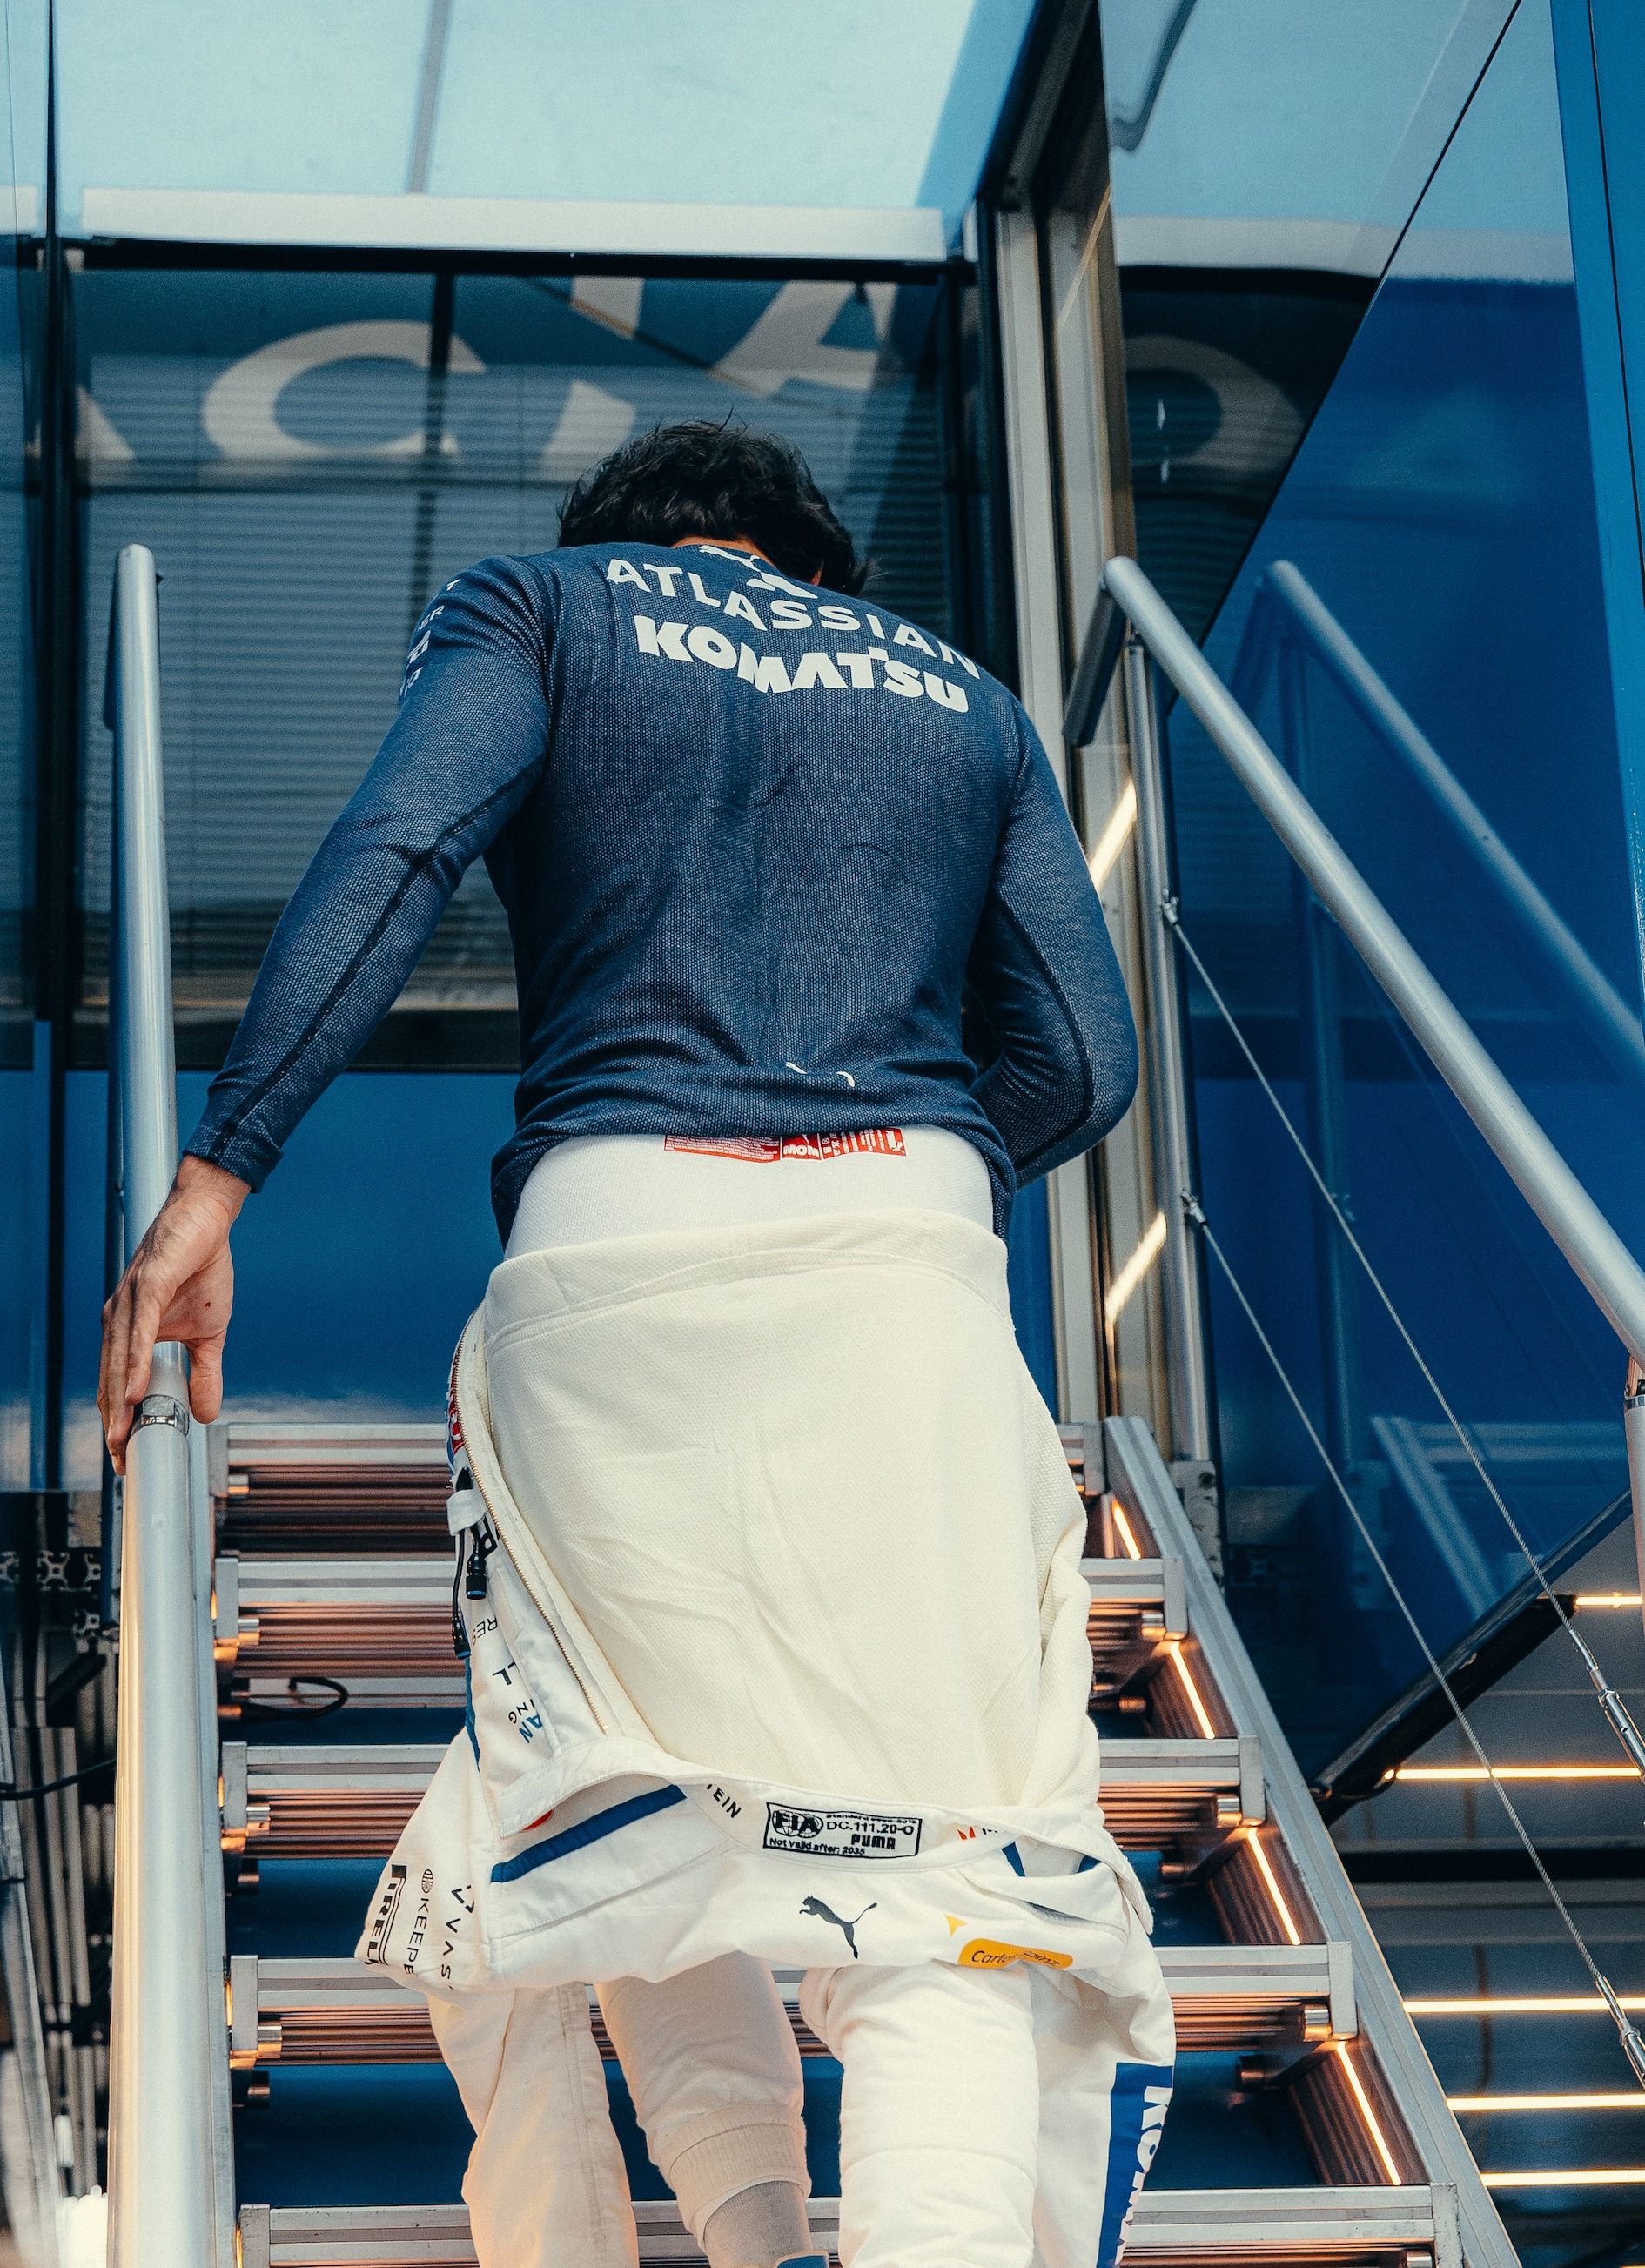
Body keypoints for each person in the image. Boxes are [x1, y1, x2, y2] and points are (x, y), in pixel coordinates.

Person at [100, 419, 1173, 2268]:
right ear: (810, 564)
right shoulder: (962, 697)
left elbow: (402, 845)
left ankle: (758, 2242)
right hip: (904, 1272)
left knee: (616, 1786)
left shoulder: (542, 606)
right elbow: (1084, 1058)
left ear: (629, 539)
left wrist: (219, 1178)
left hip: (614, 1243)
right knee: (948, 1863)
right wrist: (889, 1166)